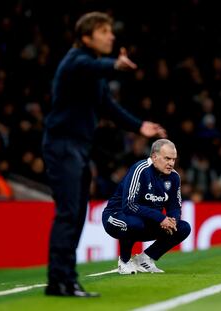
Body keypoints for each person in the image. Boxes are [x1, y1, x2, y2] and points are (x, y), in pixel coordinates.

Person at [42, 12, 166, 297]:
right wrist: (115, 65)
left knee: (76, 214)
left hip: (78, 148)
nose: (111, 36)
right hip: (62, 145)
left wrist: (139, 126)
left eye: (111, 30)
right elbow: (89, 66)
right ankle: (60, 280)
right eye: (103, 31)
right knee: (69, 213)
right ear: (86, 38)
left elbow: (107, 106)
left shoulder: (93, 70)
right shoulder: (76, 62)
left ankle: (62, 280)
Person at [102, 139, 191, 274]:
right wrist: (161, 218)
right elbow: (129, 205)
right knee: (134, 223)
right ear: (154, 157)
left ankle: (145, 259)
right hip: (115, 217)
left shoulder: (174, 177)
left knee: (183, 228)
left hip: (146, 222)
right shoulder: (140, 169)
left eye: (173, 159)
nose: (171, 163)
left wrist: (172, 220)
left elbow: (175, 207)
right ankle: (124, 261)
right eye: (167, 158)